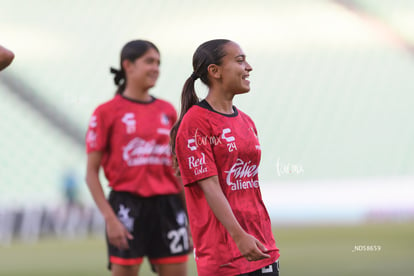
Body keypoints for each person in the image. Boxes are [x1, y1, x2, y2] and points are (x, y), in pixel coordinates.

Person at [170, 39, 280, 276]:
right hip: (226, 256)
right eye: (240, 61)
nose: (248, 67)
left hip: (262, 248)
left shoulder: (247, 121)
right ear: (215, 71)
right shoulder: (195, 123)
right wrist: (240, 237)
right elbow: (210, 186)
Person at [85, 40, 190, 276]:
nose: (155, 68)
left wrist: (190, 214)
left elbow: (178, 170)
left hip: (169, 206)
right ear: (128, 65)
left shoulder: (167, 110)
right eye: (149, 61)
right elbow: (91, 173)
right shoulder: (106, 112)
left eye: (158, 63)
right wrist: (110, 219)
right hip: (126, 208)